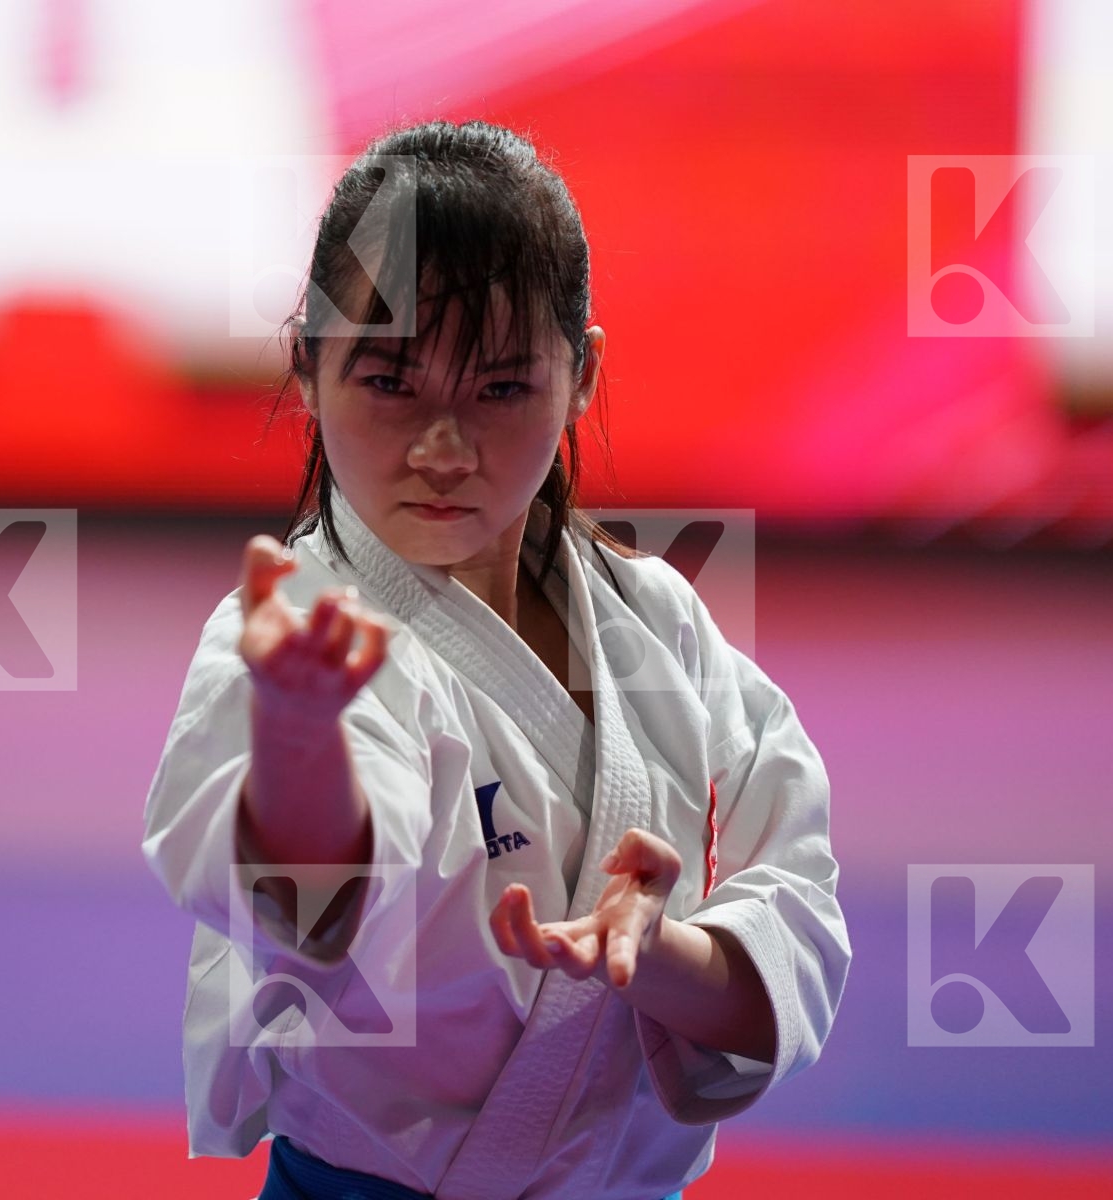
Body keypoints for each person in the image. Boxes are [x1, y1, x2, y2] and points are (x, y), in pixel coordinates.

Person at [141, 118, 851, 1200]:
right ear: (308, 366)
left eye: (502, 389)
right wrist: (295, 737)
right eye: (390, 382)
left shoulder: (659, 628)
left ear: (583, 377)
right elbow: (308, 907)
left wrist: (659, 959)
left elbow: (791, 930)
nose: (443, 447)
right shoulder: (305, 639)